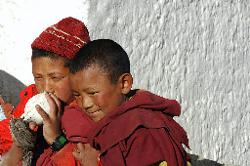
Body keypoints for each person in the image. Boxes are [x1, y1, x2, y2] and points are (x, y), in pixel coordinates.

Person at [69, 39, 191, 166]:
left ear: (124, 83)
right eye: (77, 95)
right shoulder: (122, 121)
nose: (85, 104)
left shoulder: (139, 132)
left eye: (93, 93)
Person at [0, 17, 94, 165]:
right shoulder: (32, 98)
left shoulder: (89, 113)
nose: (46, 87)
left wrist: (57, 138)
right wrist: (20, 140)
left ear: (78, 75)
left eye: (55, 78)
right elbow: (6, 142)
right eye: (38, 77)